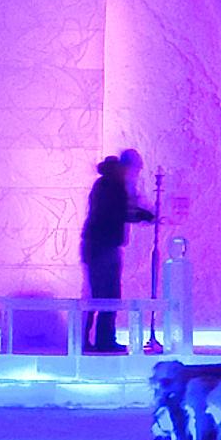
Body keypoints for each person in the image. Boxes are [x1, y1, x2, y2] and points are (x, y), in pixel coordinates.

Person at [78, 151, 154, 353]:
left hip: (98, 245)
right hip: (103, 246)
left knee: (99, 294)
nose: (136, 174)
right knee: (106, 295)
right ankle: (101, 341)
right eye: (136, 169)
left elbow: (116, 211)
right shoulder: (113, 185)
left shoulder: (106, 183)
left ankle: (89, 340)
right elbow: (117, 212)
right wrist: (142, 215)